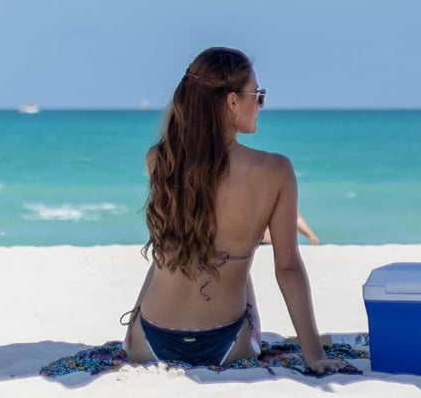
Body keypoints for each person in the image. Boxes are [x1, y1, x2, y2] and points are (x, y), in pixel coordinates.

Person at [123, 47, 339, 374]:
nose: (261, 104)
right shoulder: (275, 170)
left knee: (172, 250)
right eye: (258, 94)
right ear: (232, 101)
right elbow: (288, 268)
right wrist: (314, 355)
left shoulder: (158, 159)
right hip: (227, 346)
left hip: (148, 341)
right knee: (238, 261)